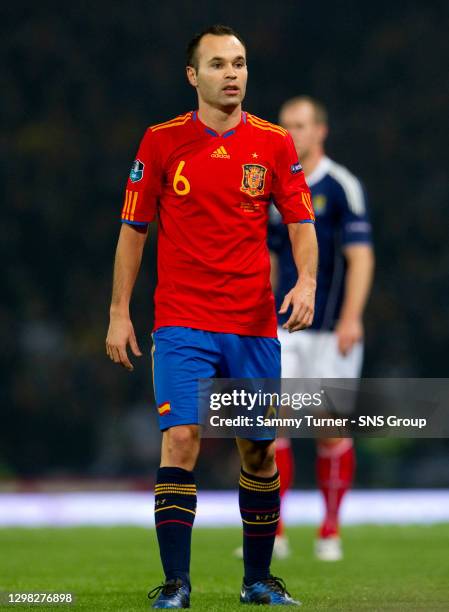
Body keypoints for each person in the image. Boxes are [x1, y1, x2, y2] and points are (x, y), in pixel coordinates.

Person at [106, 26, 318, 608]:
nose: (233, 74)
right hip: (182, 322)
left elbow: (302, 223)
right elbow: (133, 231)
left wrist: (307, 282)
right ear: (192, 76)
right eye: (219, 64)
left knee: (257, 450)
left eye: (241, 63)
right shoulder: (161, 141)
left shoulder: (274, 143)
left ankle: (256, 581)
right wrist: (119, 313)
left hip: (251, 325)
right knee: (181, 438)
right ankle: (176, 584)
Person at [268, 96, 375, 562]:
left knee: (330, 430)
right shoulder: (272, 186)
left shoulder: (342, 186)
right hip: (282, 329)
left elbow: (361, 257)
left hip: (332, 330)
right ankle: (273, 530)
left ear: (320, 131)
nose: (292, 133)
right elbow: (269, 258)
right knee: (271, 428)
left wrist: (352, 316)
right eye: (285, 125)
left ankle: (329, 528)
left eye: (301, 125)